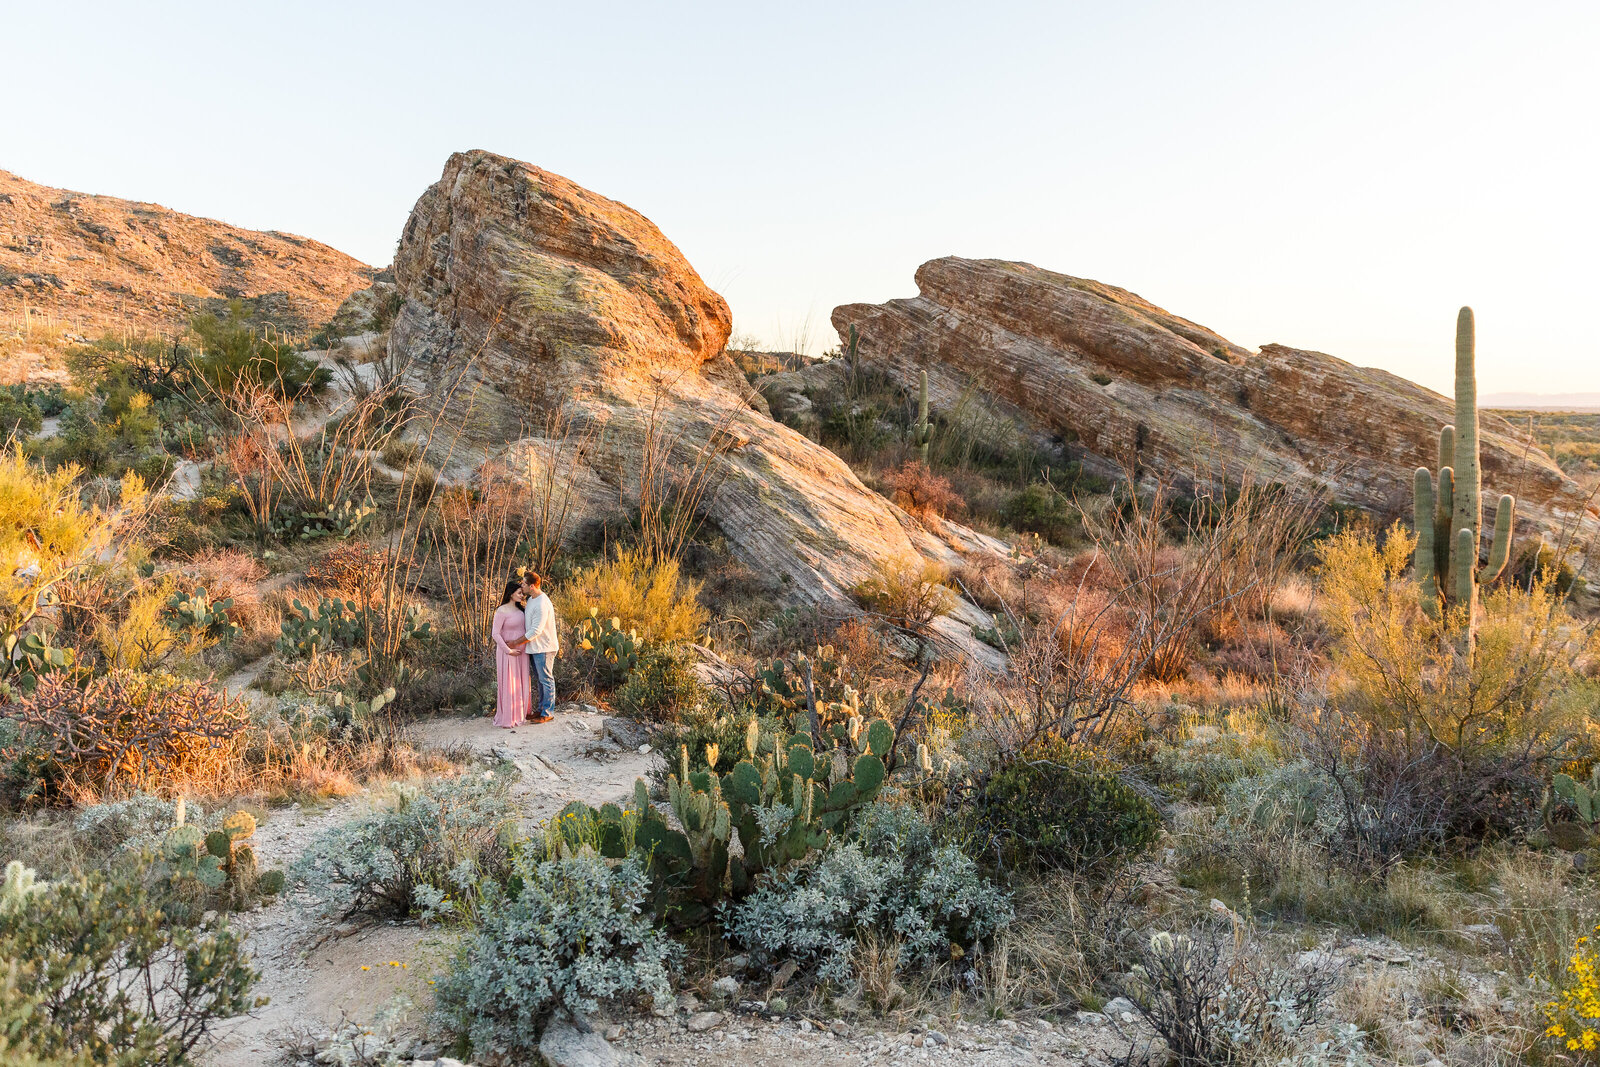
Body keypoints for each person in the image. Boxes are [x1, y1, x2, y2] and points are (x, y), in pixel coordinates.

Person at [521, 570, 559, 723]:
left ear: (531, 586)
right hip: (535, 648)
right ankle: (540, 710)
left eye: (523, 584)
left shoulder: (542, 603)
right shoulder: (531, 599)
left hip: (544, 648)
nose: (521, 586)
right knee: (539, 680)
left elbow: (536, 630)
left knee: (546, 680)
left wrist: (516, 642)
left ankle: (548, 712)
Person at [491, 581, 531, 728]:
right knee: (509, 683)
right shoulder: (501, 611)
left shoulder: (521, 610)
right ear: (511, 593)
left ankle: (520, 713)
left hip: (522, 652)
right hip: (507, 652)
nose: (522, 595)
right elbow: (495, 634)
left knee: (521, 682)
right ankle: (508, 716)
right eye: (519, 593)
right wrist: (508, 651)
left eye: (522, 593)